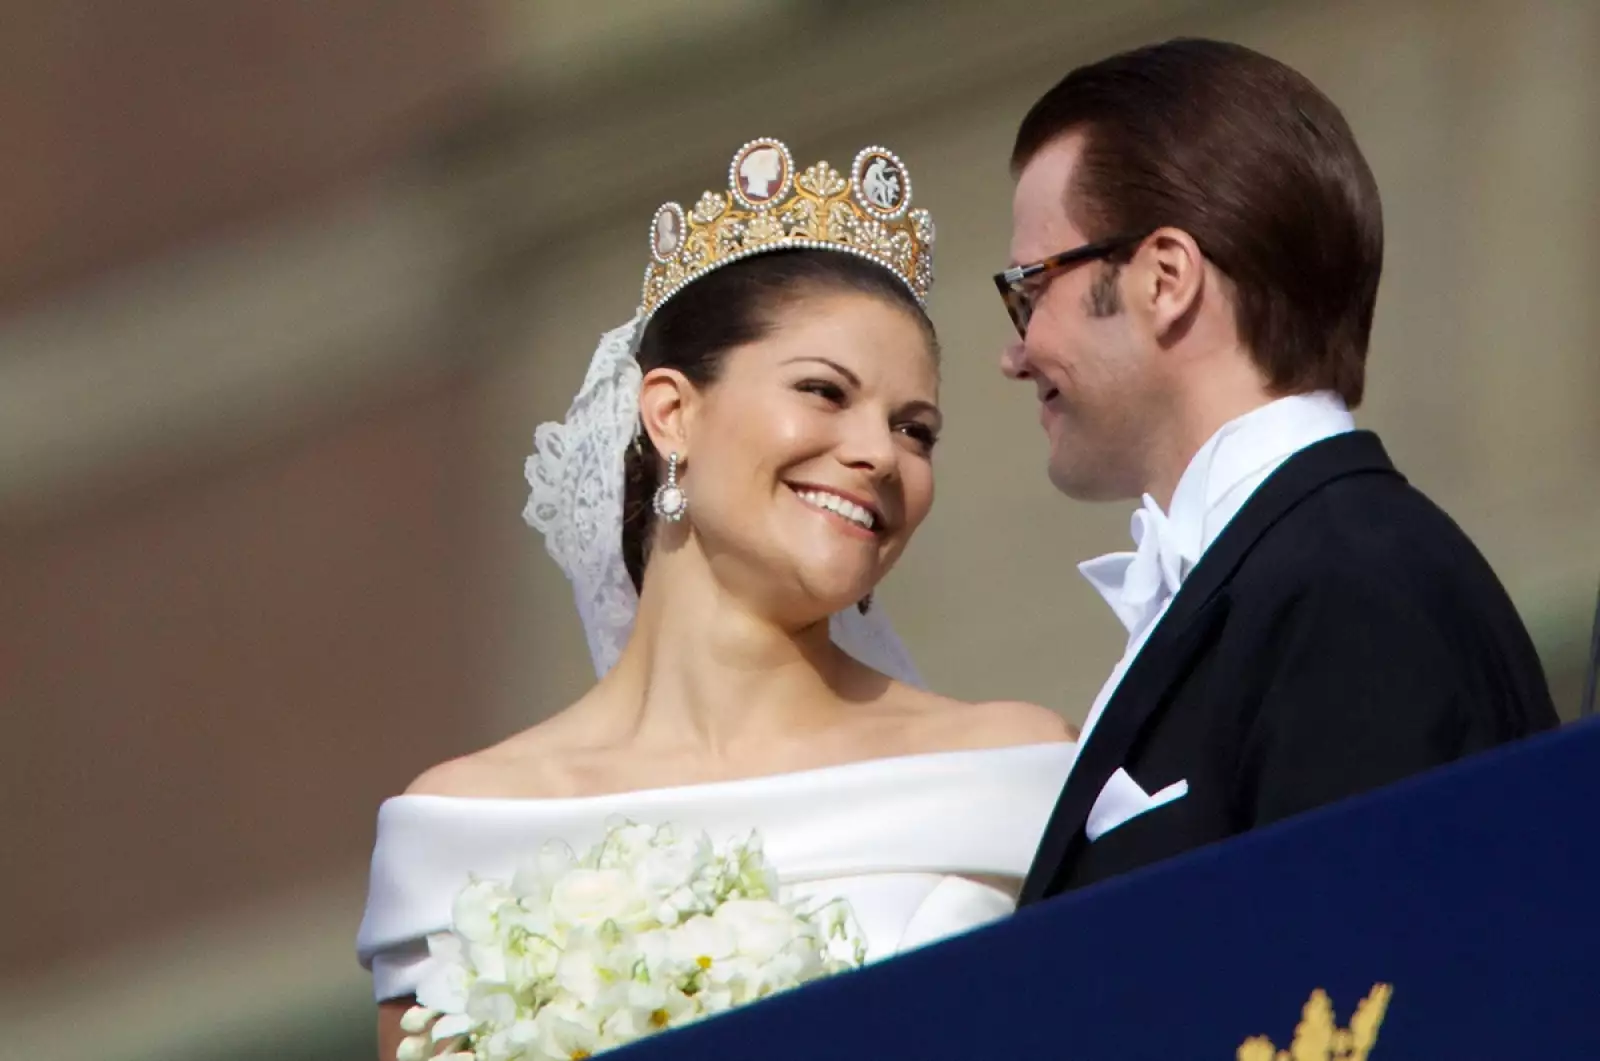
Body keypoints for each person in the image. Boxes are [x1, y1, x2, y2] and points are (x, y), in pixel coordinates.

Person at [356, 138, 1077, 1058]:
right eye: (824, 391)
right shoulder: (464, 828)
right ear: (671, 413)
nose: (879, 455)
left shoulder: (1013, 767)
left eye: (915, 429)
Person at [998, 39, 1560, 905]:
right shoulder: (1300, 572)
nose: (1015, 350)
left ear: (1165, 279)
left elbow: (1374, 989)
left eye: (1032, 287)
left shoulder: (1349, 585)